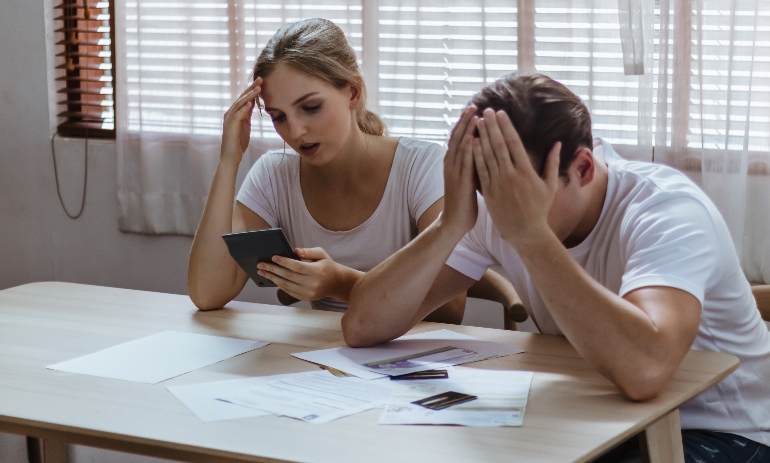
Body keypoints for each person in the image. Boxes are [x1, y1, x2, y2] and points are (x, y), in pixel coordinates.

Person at [343, 73, 770, 461]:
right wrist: (449, 224)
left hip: (718, 432)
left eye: (517, 189)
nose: (500, 205)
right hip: (596, 412)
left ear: (582, 168)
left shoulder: (666, 211)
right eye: (486, 184)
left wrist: (531, 235)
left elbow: (646, 371)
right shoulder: (497, 205)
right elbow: (364, 326)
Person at [187, 18, 466, 320]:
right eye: (278, 116)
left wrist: (340, 283)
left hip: (411, 355)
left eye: (311, 107)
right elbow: (207, 293)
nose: (295, 131)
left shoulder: (422, 167)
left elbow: (449, 311)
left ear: (353, 92)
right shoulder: (274, 176)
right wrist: (229, 160)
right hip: (323, 354)